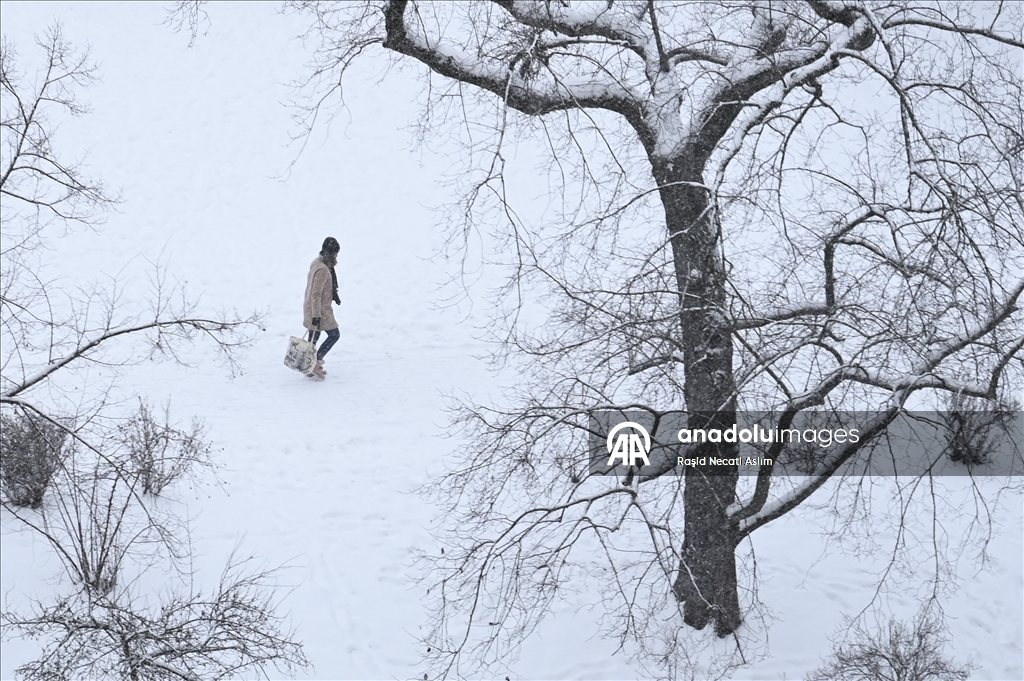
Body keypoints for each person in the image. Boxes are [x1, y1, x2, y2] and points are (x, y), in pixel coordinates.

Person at [302, 236, 341, 380]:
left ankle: (309, 366)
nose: (336, 256)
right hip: (319, 310)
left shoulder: (317, 262)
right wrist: (316, 316)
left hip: (313, 308)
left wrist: (334, 294)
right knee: (334, 335)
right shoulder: (323, 269)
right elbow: (316, 294)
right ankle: (315, 363)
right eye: (335, 253)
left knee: (313, 340)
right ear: (330, 253)